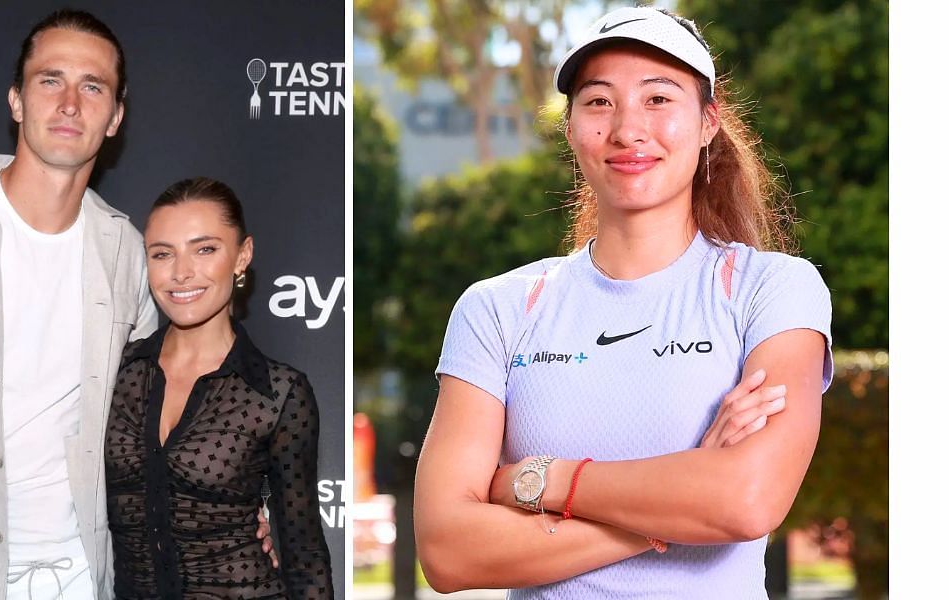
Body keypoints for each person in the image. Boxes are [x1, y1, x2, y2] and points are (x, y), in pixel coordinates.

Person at [0, 10, 270, 600]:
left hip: (90, 577)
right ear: (16, 100)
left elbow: (153, 426)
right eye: (49, 80)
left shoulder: (127, 255)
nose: (70, 103)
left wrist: (233, 507)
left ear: (114, 118)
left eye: (93, 86)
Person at [414, 6, 833, 599]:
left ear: (709, 122)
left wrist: (543, 480)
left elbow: (747, 499)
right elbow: (448, 552)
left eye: (658, 99)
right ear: (570, 127)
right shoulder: (498, 309)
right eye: (599, 102)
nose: (627, 130)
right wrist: (665, 514)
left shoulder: (772, 289)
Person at [105, 178, 334, 599]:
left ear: (242, 255)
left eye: (205, 249)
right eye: (162, 254)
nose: (181, 272)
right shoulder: (115, 370)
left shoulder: (278, 392)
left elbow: (305, 558)